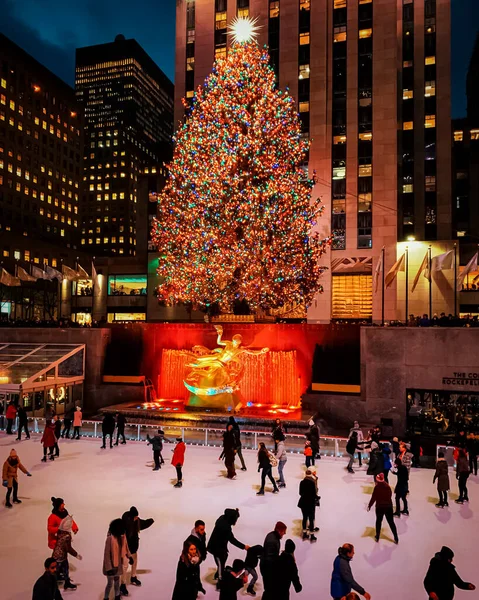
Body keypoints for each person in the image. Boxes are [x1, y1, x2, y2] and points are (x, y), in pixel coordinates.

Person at [207, 508, 249, 591]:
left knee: (222, 560)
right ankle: (220, 580)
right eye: (236, 519)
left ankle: (219, 573)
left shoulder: (222, 518)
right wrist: (244, 546)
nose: (236, 521)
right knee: (220, 563)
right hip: (217, 549)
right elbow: (232, 539)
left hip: (219, 547)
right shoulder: (225, 527)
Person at [121, 506, 154, 594]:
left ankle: (133, 576)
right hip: (125, 549)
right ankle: (122, 584)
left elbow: (143, 524)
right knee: (124, 567)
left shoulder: (136, 521)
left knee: (134, 562)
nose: (137, 518)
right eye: (135, 517)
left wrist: (150, 521)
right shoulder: (126, 524)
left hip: (134, 548)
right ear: (132, 517)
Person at [103, 518, 133, 600]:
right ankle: (106, 598)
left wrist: (130, 557)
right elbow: (106, 555)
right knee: (110, 584)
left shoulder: (122, 538)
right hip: (111, 567)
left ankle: (117, 596)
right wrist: (109, 569)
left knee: (117, 583)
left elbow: (126, 548)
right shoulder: (110, 539)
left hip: (118, 565)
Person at [52, 515, 82, 590]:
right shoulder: (67, 536)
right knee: (60, 569)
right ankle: (55, 584)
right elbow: (68, 548)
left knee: (63, 568)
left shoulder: (60, 532)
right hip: (60, 556)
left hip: (56, 554)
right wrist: (76, 555)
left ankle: (66, 582)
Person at [367, 473, 399, 544]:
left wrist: (369, 505)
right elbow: (390, 495)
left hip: (379, 507)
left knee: (378, 521)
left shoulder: (377, 487)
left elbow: (373, 498)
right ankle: (396, 537)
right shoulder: (387, 486)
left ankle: (377, 536)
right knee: (391, 522)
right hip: (388, 507)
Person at [260, 521, 287, 600]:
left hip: (267, 567)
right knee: (269, 590)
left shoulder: (272, 536)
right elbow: (270, 559)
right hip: (268, 570)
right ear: (279, 530)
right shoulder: (272, 541)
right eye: (284, 531)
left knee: (269, 589)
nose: (284, 533)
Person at [185, 520, 207, 595]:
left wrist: (204, 555)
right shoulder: (190, 540)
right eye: (201, 529)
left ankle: (197, 589)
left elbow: (203, 546)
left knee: (196, 575)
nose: (203, 531)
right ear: (196, 529)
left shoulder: (203, 535)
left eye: (204, 529)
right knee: (193, 576)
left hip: (198, 560)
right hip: (193, 562)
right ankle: (194, 591)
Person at [298, 469, 318, 541]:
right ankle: (312, 535)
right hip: (311, 503)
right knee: (311, 519)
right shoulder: (312, 483)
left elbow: (300, 493)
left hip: (303, 503)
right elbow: (314, 493)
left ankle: (304, 534)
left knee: (304, 518)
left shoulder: (302, 482)